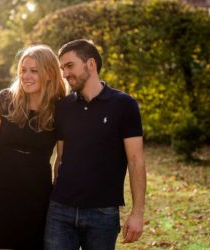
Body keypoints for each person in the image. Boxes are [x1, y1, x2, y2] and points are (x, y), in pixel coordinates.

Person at [44, 39, 146, 250]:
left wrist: (137, 213)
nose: (64, 73)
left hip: (102, 214)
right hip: (60, 211)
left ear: (90, 64)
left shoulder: (124, 104)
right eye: (63, 68)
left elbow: (136, 160)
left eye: (70, 66)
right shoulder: (63, 107)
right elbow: (60, 158)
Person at [0, 44, 66, 249]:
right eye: (23, 70)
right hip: (1, 190)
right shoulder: (5, 100)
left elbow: (61, 159)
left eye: (34, 71)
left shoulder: (60, 109)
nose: (26, 76)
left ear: (49, 73)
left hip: (38, 193)